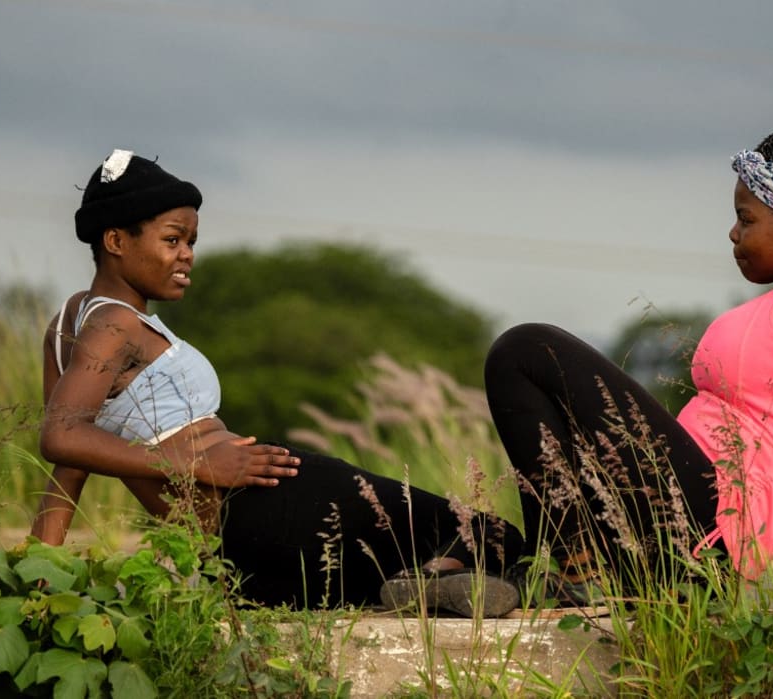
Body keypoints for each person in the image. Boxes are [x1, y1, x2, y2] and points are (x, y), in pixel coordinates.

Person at [32, 149, 522, 616]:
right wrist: (194, 463)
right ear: (116, 241)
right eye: (172, 239)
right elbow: (63, 438)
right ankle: (433, 577)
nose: (187, 257)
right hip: (272, 509)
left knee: (426, 557)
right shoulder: (114, 324)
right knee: (492, 536)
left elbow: (70, 464)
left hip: (238, 559)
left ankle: (426, 581)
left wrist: (34, 576)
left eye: (191, 242)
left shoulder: (66, 326)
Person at [483, 91, 773, 585]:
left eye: (746, 219)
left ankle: (575, 568)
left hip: (715, 529)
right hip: (678, 518)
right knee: (524, 365)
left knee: (527, 350)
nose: (733, 234)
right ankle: (573, 564)